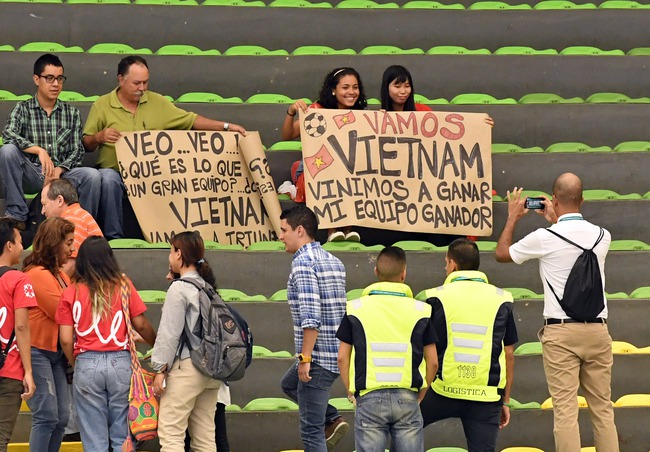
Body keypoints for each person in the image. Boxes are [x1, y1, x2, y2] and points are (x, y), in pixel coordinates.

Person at [495, 173, 619, 451]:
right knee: (603, 410)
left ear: (553, 200)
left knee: (565, 412)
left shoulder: (544, 237)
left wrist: (513, 216)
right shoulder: (603, 236)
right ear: (583, 199)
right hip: (598, 330)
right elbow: (573, 239)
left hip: (561, 332)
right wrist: (557, 218)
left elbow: (502, 253)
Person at [82, 55, 247, 240]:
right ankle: (115, 238)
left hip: (152, 176)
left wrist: (226, 127)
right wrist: (99, 136)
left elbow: (190, 120)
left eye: (146, 82)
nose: (142, 88)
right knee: (108, 178)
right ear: (121, 79)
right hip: (116, 173)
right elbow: (87, 144)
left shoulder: (157, 102)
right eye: (137, 83)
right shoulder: (103, 104)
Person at [56, 236, 156, 451]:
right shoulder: (124, 286)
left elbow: (65, 338)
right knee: (122, 434)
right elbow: (142, 324)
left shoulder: (70, 292)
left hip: (86, 361)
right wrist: (157, 346)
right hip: (121, 361)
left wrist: (77, 361)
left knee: (93, 437)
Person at [336, 246, 438, 452]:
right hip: (408, 397)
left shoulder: (355, 308)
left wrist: (350, 391)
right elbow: (433, 361)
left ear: (376, 273)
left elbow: (342, 358)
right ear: (404, 274)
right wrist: (422, 391)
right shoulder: (422, 310)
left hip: (369, 397)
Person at [420, 238, 517, 452]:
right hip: (487, 396)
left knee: (403, 427)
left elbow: (425, 351)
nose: (446, 268)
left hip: (440, 390)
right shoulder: (503, 299)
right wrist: (506, 401)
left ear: (453, 264)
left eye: (446, 263)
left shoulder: (434, 297)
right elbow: (509, 354)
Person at [0, 54, 101, 229]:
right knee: (7, 150)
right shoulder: (23, 108)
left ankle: (82, 225)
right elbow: (8, 133)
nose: (56, 84)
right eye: (50, 78)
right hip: (33, 172)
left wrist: (59, 170)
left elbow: (77, 151)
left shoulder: (72, 113)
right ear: (36, 79)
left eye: (60, 78)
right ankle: (17, 215)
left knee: (92, 176)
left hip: (62, 175)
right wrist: (39, 150)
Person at [278, 205, 349, 451]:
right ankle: (331, 417)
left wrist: (305, 358)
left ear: (299, 230)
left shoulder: (302, 263)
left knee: (311, 431)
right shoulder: (335, 261)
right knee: (288, 384)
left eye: (284, 230)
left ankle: (328, 418)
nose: (280, 236)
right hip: (335, 354)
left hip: (317, 358)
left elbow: (311, 316)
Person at [151, 231, 222, 451]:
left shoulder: (180, 288)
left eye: (171, 251)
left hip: (188, 366)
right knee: (204, 437)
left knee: (171, 433)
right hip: (212, 371)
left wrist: (159, 369)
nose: (169, 256)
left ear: (179, 254)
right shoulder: (207, 287)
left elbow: (169, 333)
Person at [281, 67, 368, 242]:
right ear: (333, 90)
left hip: (347, 171)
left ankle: (348, 229)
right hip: (314, 172)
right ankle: (332, 230)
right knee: (333, 172)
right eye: (345, 87)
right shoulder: (316, 110)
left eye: (355, 87)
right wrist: (291, 112)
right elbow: (287, 135)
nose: (351, 92)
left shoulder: (362, 115)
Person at [22, 217, 75, 452]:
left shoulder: (60, 275)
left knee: (62, 418)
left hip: (55, 354)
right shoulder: (37, 274)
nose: (72, 249)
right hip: (37, 352)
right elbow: (64, 312)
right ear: (55, 243)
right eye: (69, 243)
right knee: (46, 416)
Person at [0, 218, 37, 452]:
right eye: (20, 241)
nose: (22, 247)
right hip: (9, 367)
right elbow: (22, 327)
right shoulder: (18, 279)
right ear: (9, 245)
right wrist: (29, 371)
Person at [40, 178, 103, 277]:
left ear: (60, 200)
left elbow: (70, 265)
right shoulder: (77, 215)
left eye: (44, 204)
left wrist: (52, 286)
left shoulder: (72, 218)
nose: (42, 211)